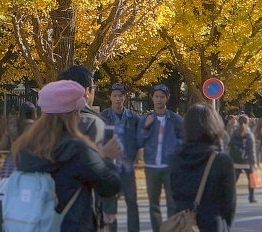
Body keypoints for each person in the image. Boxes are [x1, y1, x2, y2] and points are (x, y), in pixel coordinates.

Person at [14, 80, 123, 232]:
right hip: (73, 225)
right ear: (73, 114)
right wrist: (107, 158)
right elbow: (110, 186)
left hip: (36, 224)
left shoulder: (25, 147)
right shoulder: (78, 150)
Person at [169, 104, 237, 232]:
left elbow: (174, 195)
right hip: (213, 223)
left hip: (183, 224)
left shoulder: (176, 158)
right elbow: (229, 205)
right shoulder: (221, 161)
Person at [137, 84, 184, 232]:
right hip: (151, 166)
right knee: (154, 204)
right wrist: (145, 127)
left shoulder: (175, 119)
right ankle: (157, 229)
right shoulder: (145, 119)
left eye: (162, 97)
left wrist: (174, 151)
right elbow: (138, 142)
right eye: (156, 96)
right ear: (152, 98)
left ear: (167, 99)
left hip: (169, 166)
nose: (159, 100)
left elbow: (184, 140)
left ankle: (171, 229)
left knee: (172, 203)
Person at [100, 83, 141, 232]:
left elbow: (139, 139)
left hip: (127, 166)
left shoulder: (133, 117)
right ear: (110, 97)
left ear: (125, 97)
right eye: (114, 96)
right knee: (110, 203)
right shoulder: (103, 117)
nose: (117, 99)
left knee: (132, 202)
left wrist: (137, 157)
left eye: (120, 96)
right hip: (110, 167)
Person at [226, 115, 256, 203]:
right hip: (246, 160)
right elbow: (251, 150)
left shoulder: (234, 132)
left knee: (233, 181)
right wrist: (254, 162)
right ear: (247, 122)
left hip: (236, 160)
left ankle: (230, 198)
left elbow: (230, 146)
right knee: (251, 179)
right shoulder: (249, 134)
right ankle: (251, 197)